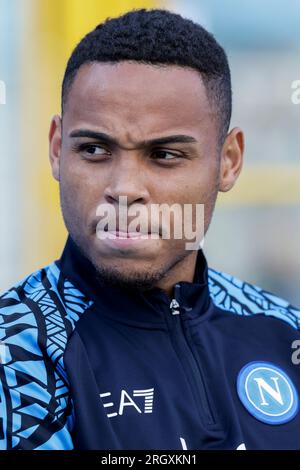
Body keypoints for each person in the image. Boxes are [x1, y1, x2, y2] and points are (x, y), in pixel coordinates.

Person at [0, 8, 300, 451]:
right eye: (95, 149)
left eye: (164, 155)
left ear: (229, 161)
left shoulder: (284, 332)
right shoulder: (17, 354)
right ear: (56, 149)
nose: (124, 190)